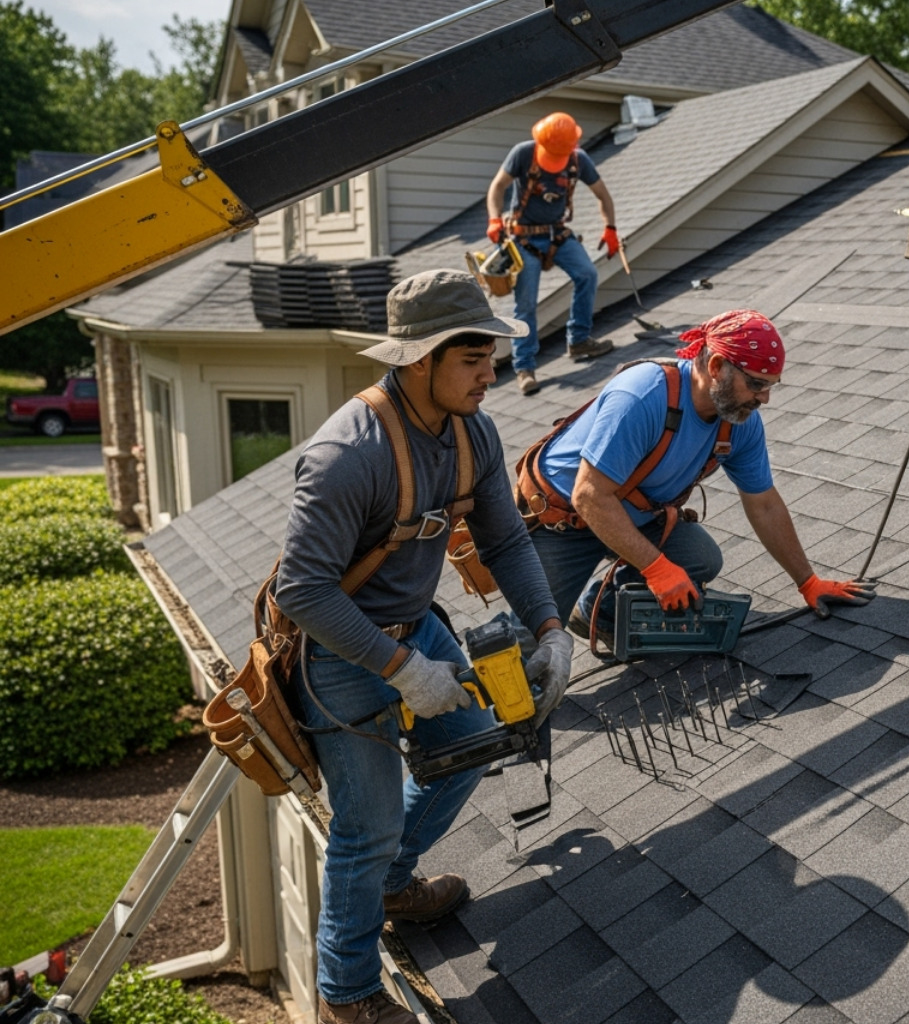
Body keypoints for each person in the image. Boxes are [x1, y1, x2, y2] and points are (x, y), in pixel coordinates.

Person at [274, 269, 574, 1024]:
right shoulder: (349, 454)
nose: (490, 372)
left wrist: (549, 628)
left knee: (472, 741)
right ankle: (346, 994)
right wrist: (402, 670)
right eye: (471, 358)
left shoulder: (473, 430)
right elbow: (302, 594)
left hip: (417, 624)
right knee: (364, 823)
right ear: (417, 360)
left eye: (490, 355)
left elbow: (504, 537)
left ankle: (391, 885)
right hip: (338, 652)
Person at [518, 309, 875, 643]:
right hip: (563, 522)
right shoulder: (644, 396)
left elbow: (764, 504)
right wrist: (657, 569)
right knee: (533, 637)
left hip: (635, 516)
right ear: (717, 366)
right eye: (755, 384)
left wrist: (808, 582)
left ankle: (599, 614)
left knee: (699, 558)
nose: (764, 398)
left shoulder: (738, 423)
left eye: (771, 385)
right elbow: (589, 496)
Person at [485, 111, 620, 396]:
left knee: (587, 274)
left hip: (556, 234)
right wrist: (495, 219)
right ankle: (525, 367)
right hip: (523, 238)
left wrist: (610, 228)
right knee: (526, 304)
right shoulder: (523, 154)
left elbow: (603, 196)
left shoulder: (578, 160)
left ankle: (579, 340)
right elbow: (497, 188)